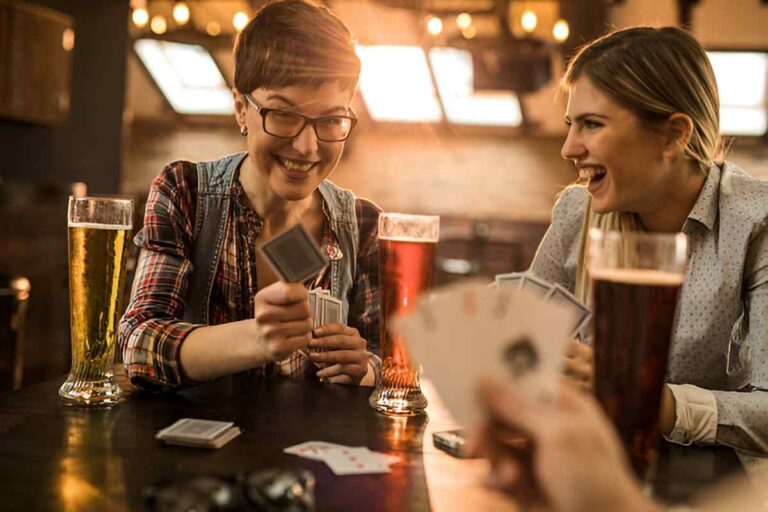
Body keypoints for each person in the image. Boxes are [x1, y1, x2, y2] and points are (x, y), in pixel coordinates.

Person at [118, 0, 380, 391]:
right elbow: (139, 346)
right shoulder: (184, 193)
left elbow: (394, 361)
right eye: (284, 115)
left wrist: (365, 368)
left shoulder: (362, 223)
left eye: (330, 119)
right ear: (241, 108)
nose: (307, 147)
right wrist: (257, 339)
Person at [531, 26, 768, 453]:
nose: (568, 148)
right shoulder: (575, 211)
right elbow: (519, 353)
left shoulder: (757, 223)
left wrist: (658, 404)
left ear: (674, 135)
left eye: (591, 125)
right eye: (571, 125)